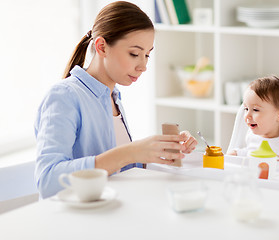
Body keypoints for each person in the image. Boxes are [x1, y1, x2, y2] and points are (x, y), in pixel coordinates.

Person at [34, 1, 197, 199]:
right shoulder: (64, 96)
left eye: (147, 55)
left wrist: (161, 150)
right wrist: (131, 152)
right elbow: (48, 181)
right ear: (102, 46)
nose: (143, 66)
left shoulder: (112, 96)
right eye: (135, 54)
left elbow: (118, 168)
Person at [227, 75, 279, 164]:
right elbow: (250, 152)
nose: (247, 116)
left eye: (255, 110)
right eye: (246, 109)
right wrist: (236, 153)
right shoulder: (252, 135)